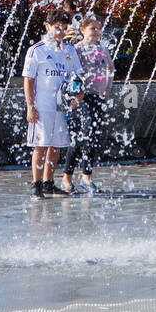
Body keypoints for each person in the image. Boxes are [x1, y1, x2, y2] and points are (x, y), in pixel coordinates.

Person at [23, 10, 84, 199]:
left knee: (56, 145)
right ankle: (36, 184)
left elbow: (78, 76)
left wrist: (77, 97)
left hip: (62, 106)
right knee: (40, 145)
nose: (61, 31)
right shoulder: (37, 49)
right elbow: (28, 79)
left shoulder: (69, 50)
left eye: (64, 28)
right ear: (47, 26)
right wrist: (30, 106)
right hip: (43, 105)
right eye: (57, 27)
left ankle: (49, 183)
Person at [60, 14, 112, 195]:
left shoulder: (102, 49)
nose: (97, 32)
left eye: (99, 28)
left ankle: (86, 177)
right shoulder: (77, 49)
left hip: (97, 97)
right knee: (80, 136)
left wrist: (106, 91)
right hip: (81, 98)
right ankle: (67, 177)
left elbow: (110, 69)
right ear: (82, 30)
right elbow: (69, 73)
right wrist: (72, 97)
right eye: (93, 28)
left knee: (93, 138)